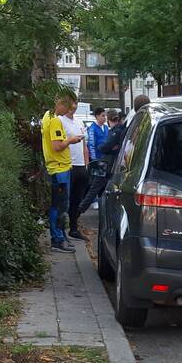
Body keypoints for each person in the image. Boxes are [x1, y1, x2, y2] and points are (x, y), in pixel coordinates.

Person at [78, 95, 151, 215]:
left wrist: (105, 148)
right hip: (118, 163)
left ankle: (77, 213)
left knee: (95, 189)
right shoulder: (137, 122)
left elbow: (105, 146)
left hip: (106, 163)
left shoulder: (116, 130)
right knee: (101, 190)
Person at [42, 93, 83, 253]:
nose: (68, 112)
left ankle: (59, 237)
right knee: (60, 206)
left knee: (57, 205)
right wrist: (71, 140)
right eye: (68, 107)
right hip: (60, 168)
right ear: (62, 104)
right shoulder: (55, 120)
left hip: (56, 166)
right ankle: (58, 240)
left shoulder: (47, 116)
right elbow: (57, 146)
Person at [60, 105, 89, 240]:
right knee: (65, 200)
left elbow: (83, 144)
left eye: (75, 104)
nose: (72, 107)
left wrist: (86, 162)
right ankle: (61, 231)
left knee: (78, 199)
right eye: (69, 104)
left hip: (80, 165)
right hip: (68, 165)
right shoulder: (60, 120)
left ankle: (73, 228)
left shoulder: (79, 121)